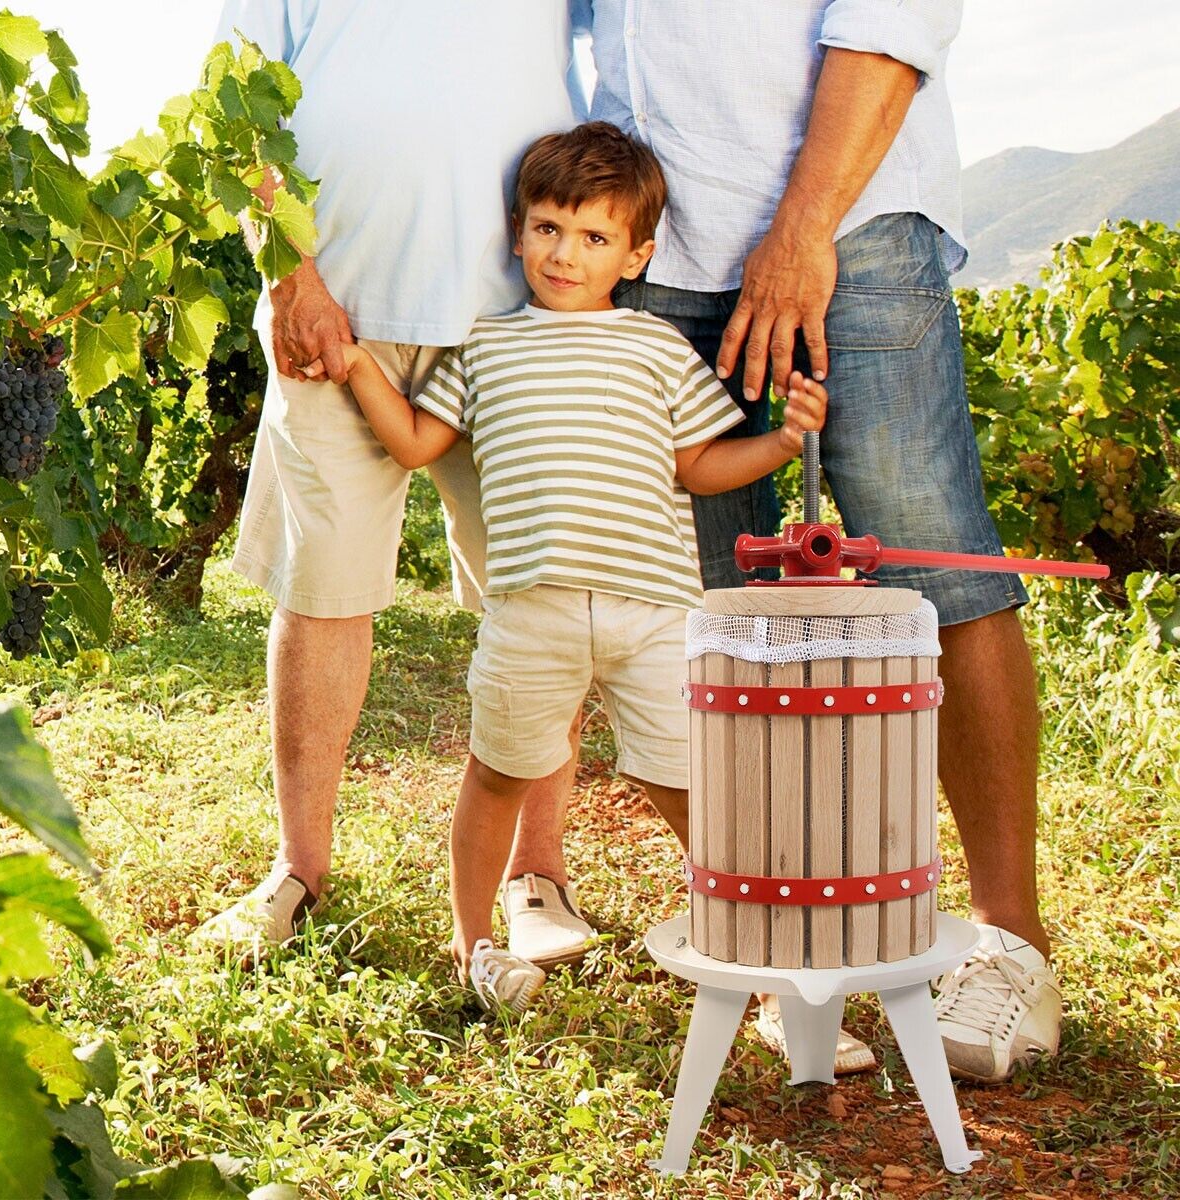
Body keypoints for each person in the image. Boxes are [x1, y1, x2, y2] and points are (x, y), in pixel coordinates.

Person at [581, 1, 1061, 1083]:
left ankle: (1011, 945)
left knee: (938, 566)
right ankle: (773, 939)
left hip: (854, 226)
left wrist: (802, 228)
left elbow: (894, 19)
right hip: (662, 253)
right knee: (711, 617)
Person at [310, 122, 828, 1010]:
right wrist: (359, 366)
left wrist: (783, 441)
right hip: (530, 613)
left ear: (636, 256)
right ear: (518, 233)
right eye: (548, 228)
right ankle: (475, 946)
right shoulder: (484, 345)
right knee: (497, 775)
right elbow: (414, 443)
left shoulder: (656, 347)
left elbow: (699, 466)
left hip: (654, 615)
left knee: (690, 786)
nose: (564, 254)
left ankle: (768, 961)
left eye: (594, 237)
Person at [194, 2, 599, 968]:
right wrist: (292, 278)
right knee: (321, 592)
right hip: (329, 311)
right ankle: (299, 868)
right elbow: (231, 109)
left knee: (540, 600)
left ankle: (536, 874)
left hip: (514, 319)